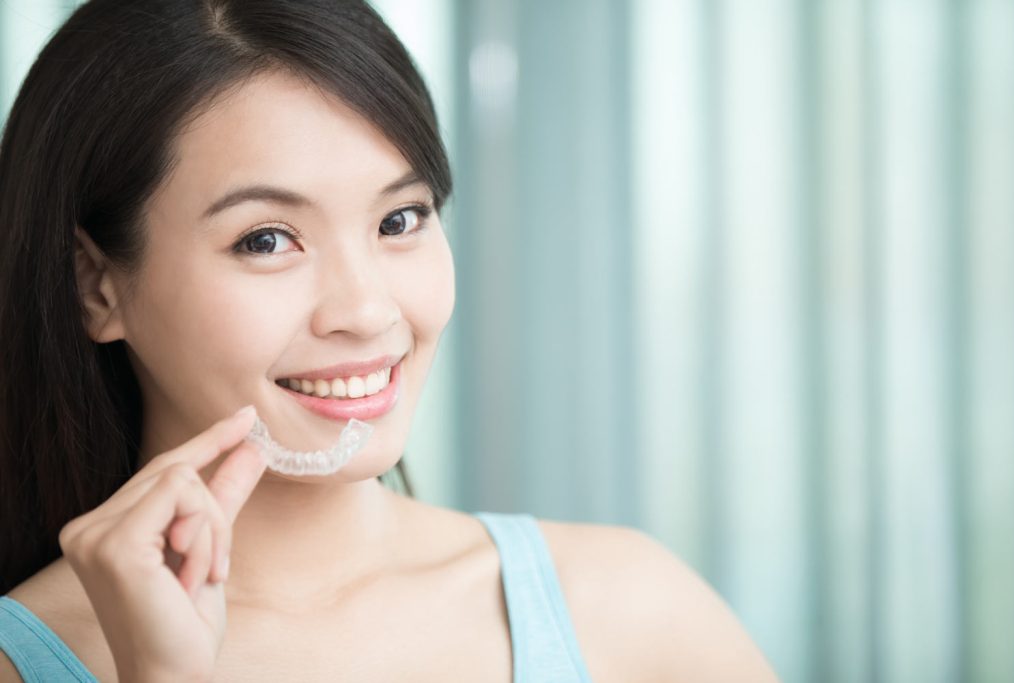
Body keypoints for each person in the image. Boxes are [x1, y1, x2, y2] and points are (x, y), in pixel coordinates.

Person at [0, 1, 780, 680]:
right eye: (268, 239)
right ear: (96, 287)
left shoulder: (632, 613)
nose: (368, 310)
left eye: (399, 220)